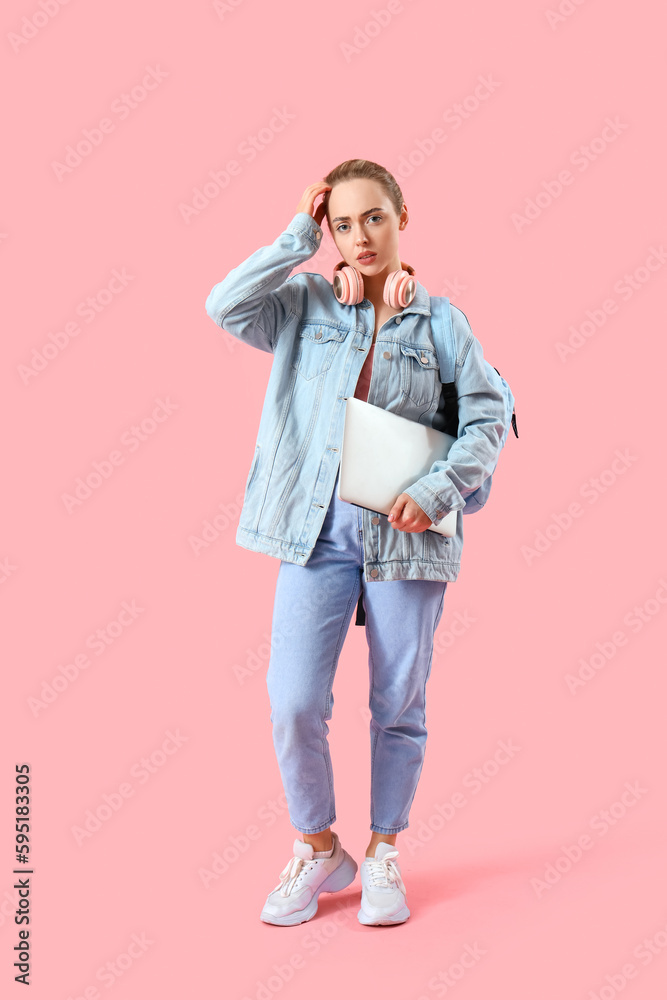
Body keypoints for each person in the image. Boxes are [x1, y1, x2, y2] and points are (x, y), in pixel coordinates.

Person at [205, 159, 508, 927]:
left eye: (372, 217)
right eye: (341, 223)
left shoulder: (441, 322)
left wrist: (436, 490)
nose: (359, 236)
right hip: (313, 537)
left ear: (402, 215)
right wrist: (296, 238)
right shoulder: (304, 304)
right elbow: (224, 304)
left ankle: (381, 852)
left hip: (406, 540)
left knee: (397, 702)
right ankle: (317, 846)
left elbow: (487, 419)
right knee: (294, 701)